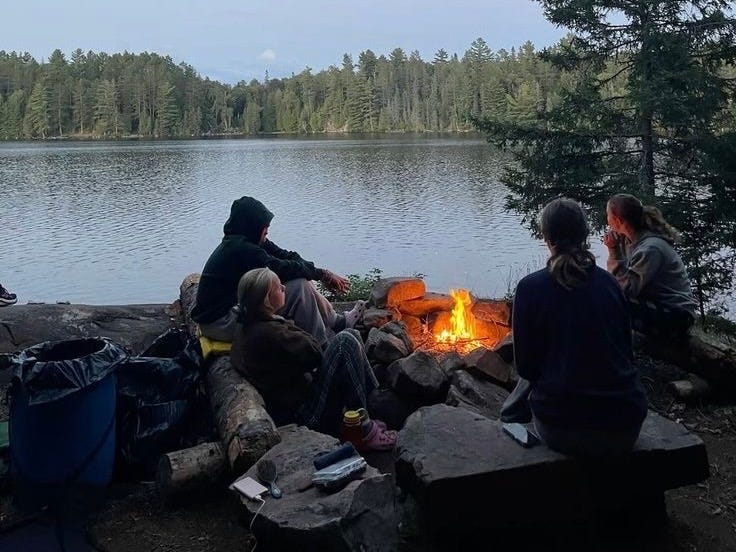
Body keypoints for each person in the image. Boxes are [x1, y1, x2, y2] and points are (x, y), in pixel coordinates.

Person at [501, 198, 647, 457]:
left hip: (564, 429)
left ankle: (510, 416)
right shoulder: (610, 285)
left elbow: (526, 368)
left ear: (546, 237)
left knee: (522, 398)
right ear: (585, 236)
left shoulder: (530, 288)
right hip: (625, 425)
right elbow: (627, 353)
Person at [230, 268, 396, 449]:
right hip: (303, 417)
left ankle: (371, 405)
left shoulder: (248, 323)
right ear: (266, 300)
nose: (284, 288)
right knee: (344, 342)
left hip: (295, 399)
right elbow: (315, 352)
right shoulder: (272, 333)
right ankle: (362, 430)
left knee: (352, 333)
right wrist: (288, 324)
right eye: (278, 288)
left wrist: (283, 321)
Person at [190, 196, 364, 345]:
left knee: (301, 279)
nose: (267, 230)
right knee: (299, 288)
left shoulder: (245, 240)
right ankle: (320, 347)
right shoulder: (242, 249)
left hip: (229, 314)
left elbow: (286, 255)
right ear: (251, 226)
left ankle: (337, 323)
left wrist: (319, 273)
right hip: (220, 323)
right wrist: (322, 275)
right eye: (264, 226)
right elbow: (282, 269)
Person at [604, 193, 696, 338]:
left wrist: (614, 253)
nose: (607, 219)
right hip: (659, 307)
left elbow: (626, 290)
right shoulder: (630, 242)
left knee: (612, 300)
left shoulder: (651, 249)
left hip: (677, 316)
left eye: (608, 215)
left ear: (617, 220)